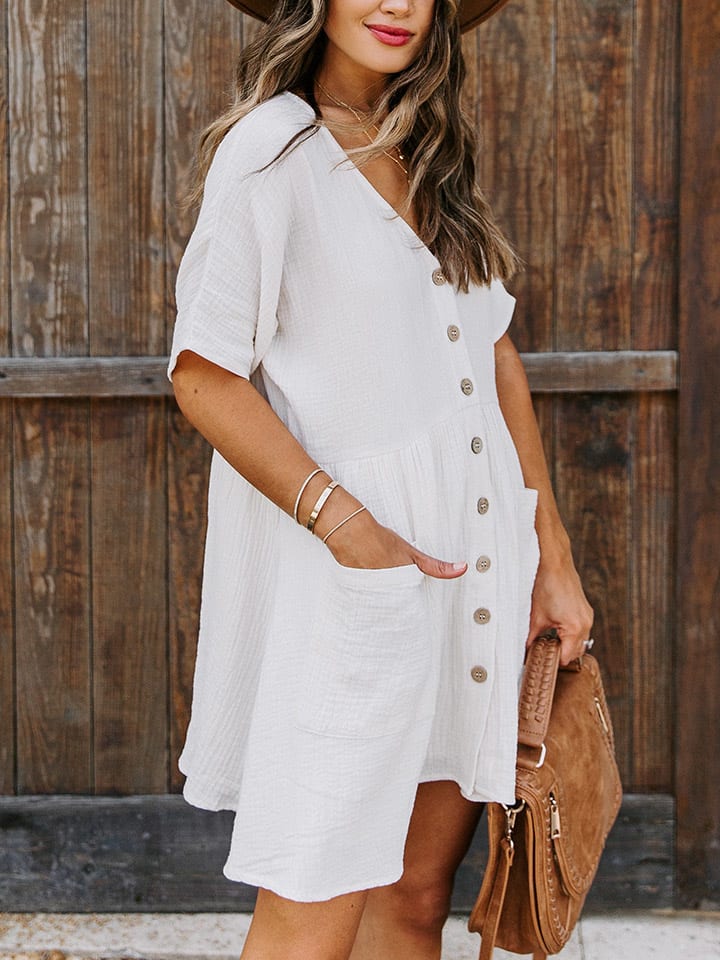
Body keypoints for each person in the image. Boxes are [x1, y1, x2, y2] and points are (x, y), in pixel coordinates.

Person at [169, 1, 593, 957]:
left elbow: (493, 352)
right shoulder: (271, 150)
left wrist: (551, 558)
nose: (397, 3)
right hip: (351, 586)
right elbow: (202, 373)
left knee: (413, 896)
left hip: (473, 573)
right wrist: (351, 531)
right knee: (313, 896)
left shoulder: (425, 147)